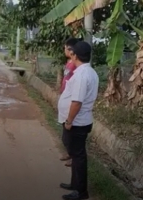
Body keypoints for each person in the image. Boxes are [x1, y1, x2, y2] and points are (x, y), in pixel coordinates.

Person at [58, 41, 99, 200]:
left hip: (77, 122)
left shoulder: (82, 75)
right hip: (80, 121)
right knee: (76, 155)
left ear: (74, 55)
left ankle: (81, 192)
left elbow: (77, 102)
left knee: (79, 156)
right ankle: (75, 185)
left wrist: (69, 121)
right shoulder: (88, 72)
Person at [59, 38, 79, 168]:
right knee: (65, 132)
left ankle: (73, 156)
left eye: (66, 47)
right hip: (65, 98)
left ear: (71, 50)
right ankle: (69, 153)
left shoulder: (76, 66)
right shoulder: (69, 63)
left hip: (71, 101)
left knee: (69, 134)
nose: (64, 50)